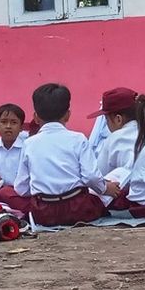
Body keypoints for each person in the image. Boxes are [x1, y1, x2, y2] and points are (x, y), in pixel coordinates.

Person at [15, 83, 109, 226]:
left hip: (44, 213)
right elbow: (91, 177)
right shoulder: (78, 139)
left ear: (36, 117)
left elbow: (21, 187)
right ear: (68, 114)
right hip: (78, 209)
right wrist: (105, 188)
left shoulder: (29, 143)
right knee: (98, 201)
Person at [87, 87, 141, 208]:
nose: (106, 124)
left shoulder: (113, 139)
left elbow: (99, 174)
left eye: (106, 120)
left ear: (118, 119)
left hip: (130, 196)